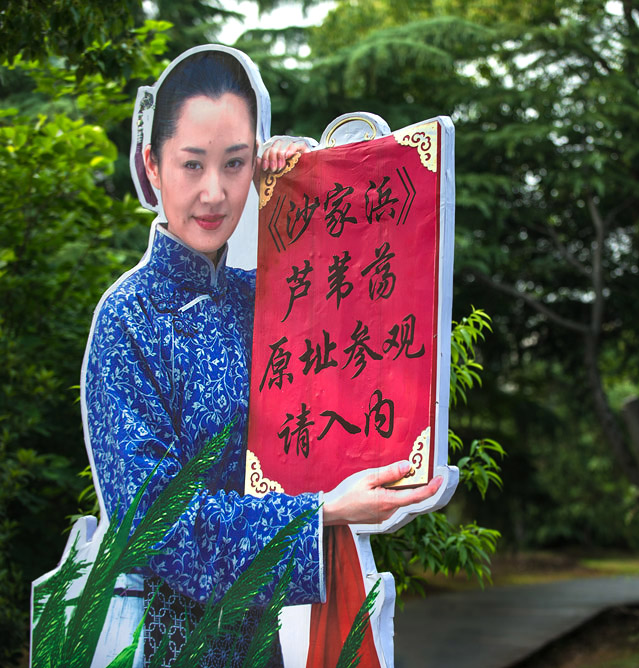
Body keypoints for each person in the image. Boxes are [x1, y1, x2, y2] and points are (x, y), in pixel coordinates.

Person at [82, 45, 441, 668]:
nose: (214, 192)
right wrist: (321, 512)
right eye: (191, 165)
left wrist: (309, 175)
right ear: (153, 164)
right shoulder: (129, 321)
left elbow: (360, 305)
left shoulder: (267, 297)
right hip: (168, 647)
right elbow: (157, 528)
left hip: (266, 641)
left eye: (236, 163)